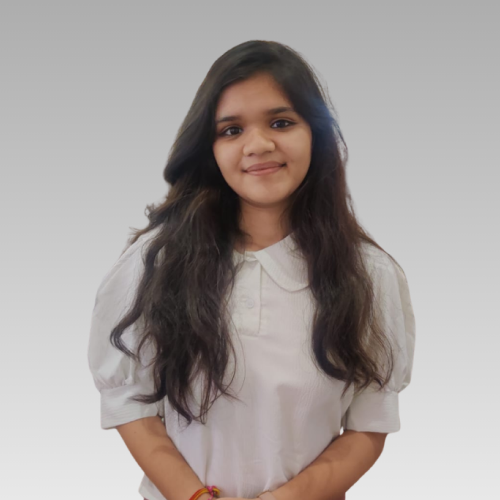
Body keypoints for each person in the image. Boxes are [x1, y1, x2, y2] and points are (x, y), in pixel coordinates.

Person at [88, 40, 416, 500]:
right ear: (209, 148)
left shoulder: (369, 276)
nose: (258, 145)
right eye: (231, 130)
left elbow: (368, 424)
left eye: (281, 122)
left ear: (316, 135)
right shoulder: (154, 263)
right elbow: (128, 401)